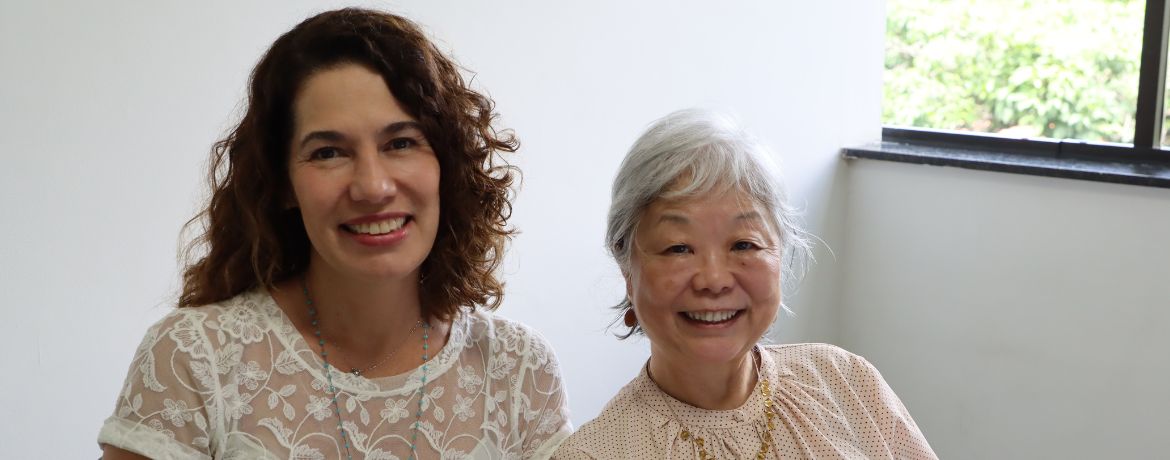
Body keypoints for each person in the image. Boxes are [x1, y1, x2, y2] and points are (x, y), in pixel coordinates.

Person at [99, 8, 571, 460]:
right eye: (328, 152)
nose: (373, 187)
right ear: (282, 183)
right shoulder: (194, 359)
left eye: (400, 143)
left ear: (447, 166)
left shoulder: (518, 369)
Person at [554, 109, 936, 459]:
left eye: (743, 244)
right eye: (679, 248)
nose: (714, 280)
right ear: (627, 270)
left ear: (780, 254)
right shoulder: (594, 454)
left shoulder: (844, 381)